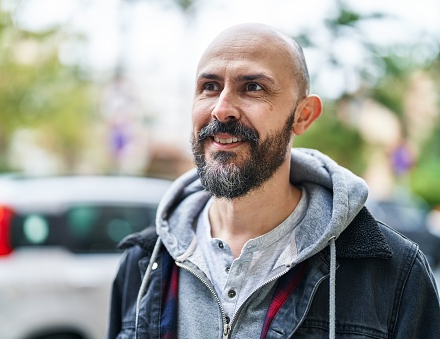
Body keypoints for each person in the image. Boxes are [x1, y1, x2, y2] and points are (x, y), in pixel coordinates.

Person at [107, 23, 440, 338]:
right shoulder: (142, 261)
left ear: (303, 115)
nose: (222, 109)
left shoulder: (393, 274)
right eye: (209, 87)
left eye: (253, 87)